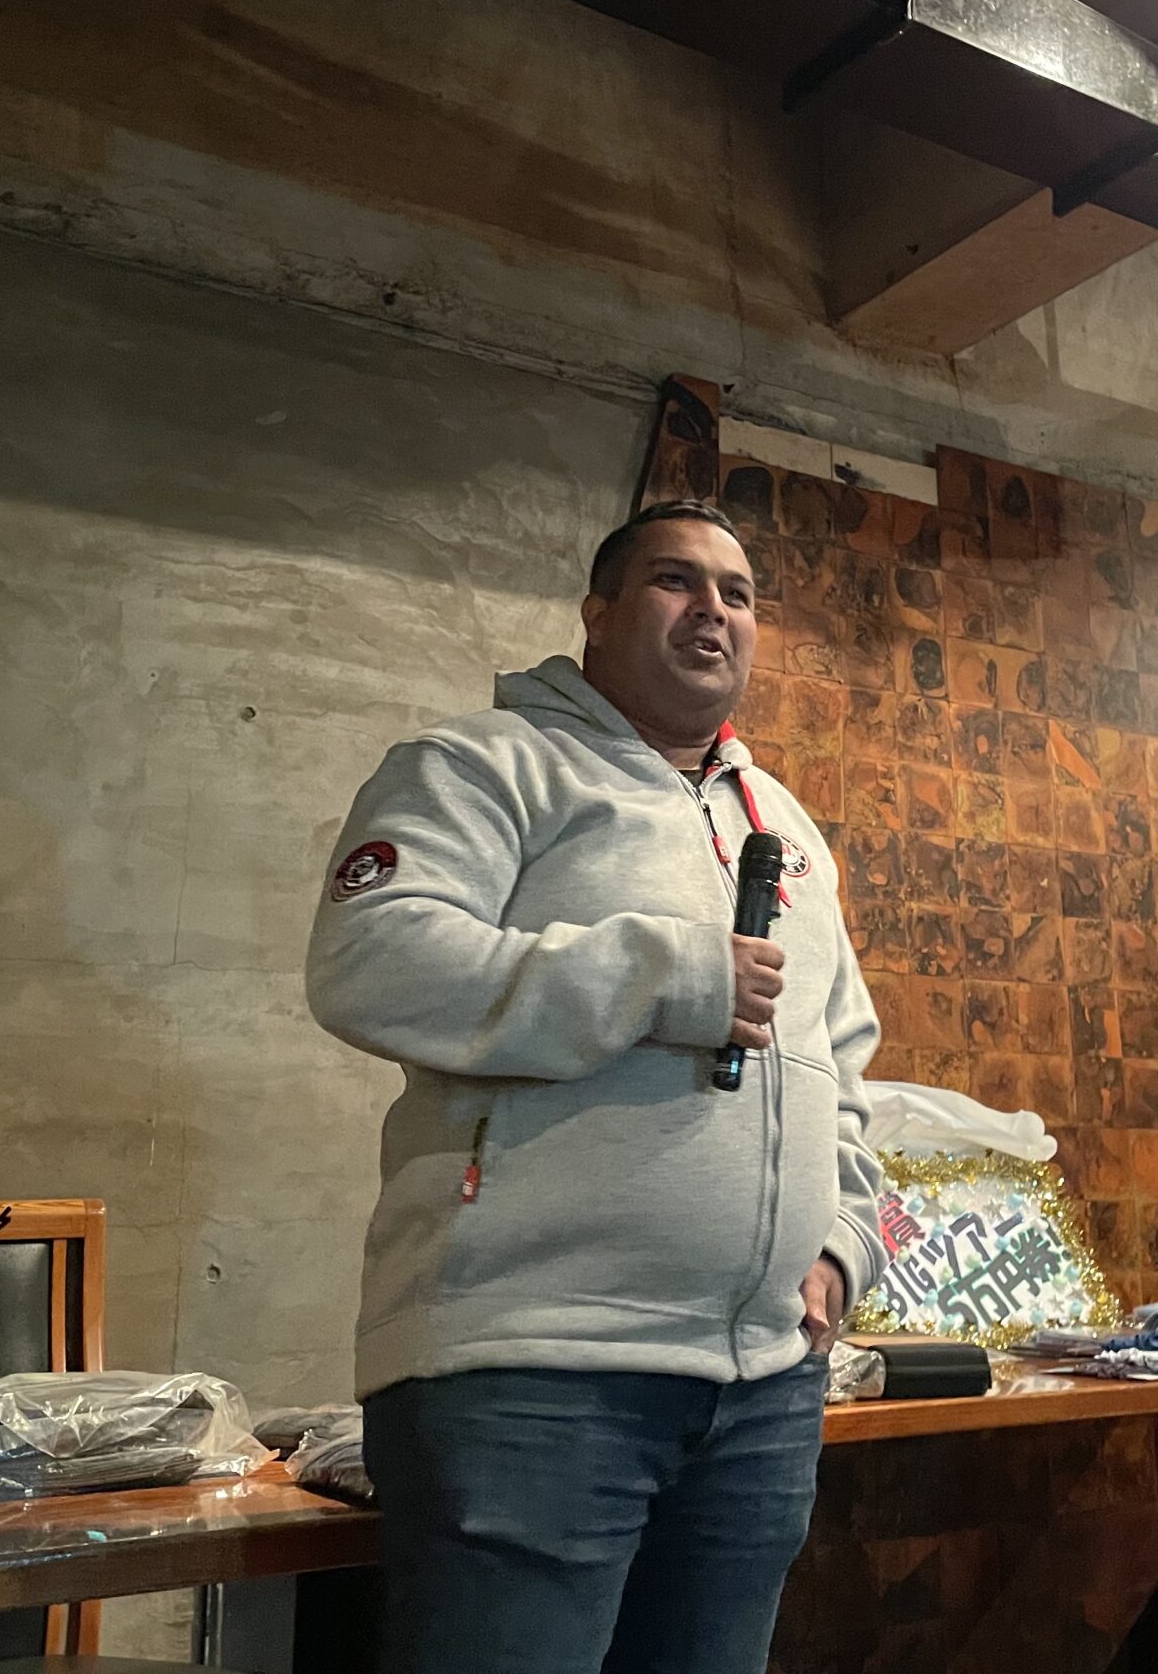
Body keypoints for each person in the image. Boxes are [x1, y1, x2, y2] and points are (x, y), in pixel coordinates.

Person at [307, 498, 891, 1674]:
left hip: (761, 1390)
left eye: (737, 594)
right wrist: (664, 976)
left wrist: (840, 1242)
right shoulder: (483, 765)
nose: (712, 610)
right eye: (677, 581)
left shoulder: (784, 824)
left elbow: (843, 1058)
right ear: (599, 611)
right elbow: (372, 960)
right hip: (534, 1373)